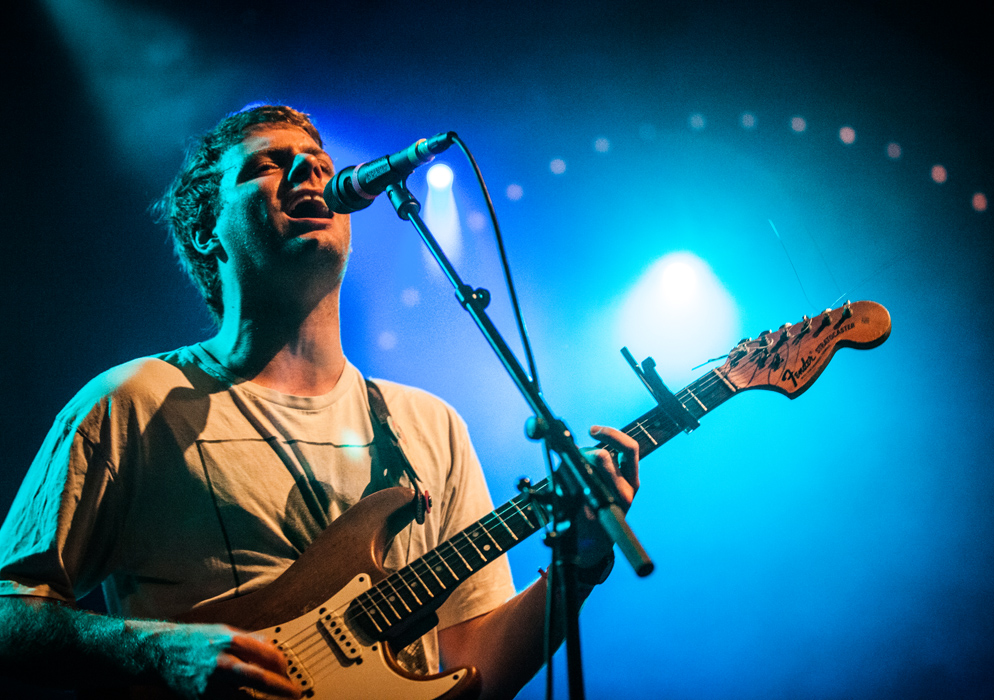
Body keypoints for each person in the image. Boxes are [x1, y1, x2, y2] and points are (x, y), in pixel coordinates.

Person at [0, 105, 639, 699]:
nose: (309, 169)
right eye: (267, 164)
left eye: (321, 164)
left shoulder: (428, 424)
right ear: (204, 231)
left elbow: (472, 665)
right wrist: (153, 654)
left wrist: (579, 564)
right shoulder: (133, 404)